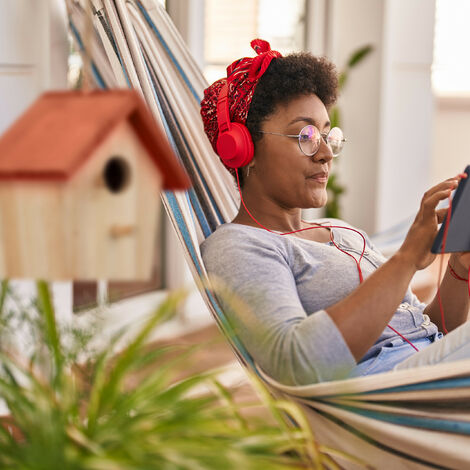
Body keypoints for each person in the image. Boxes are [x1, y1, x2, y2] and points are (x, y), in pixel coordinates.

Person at [199, 39, 470, 386]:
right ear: (244, 148)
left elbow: (432, 330)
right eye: (306, 135)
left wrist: (460, 270)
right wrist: (404, 261)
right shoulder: (239, 246)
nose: (325, 152)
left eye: (327, 135)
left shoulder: (342, 232)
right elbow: (296, 362)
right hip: (392, 395)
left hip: (431, 373)